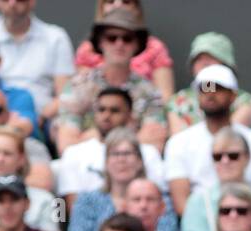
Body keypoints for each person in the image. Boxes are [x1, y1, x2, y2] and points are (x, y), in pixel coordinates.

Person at [164, 64, 251, 218]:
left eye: (218, 88)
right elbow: (182, 206)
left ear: (233, 96)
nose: (210, 93)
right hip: (199, 230)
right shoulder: (178, 143)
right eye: (205, 88)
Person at [54, 7, 167, 154]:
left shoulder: (150, 92)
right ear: (100, 42)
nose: (119, 44)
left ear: (137, 44)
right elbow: (66, 145)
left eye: (127, 38)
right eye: (111, 38)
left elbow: (154, 145)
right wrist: (131, 136)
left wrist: (94, 138)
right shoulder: (78, 86)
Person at [0, 0, 76, 125]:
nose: (12, 3)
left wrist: (38, 118)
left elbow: (65, 95)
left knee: (64, 125)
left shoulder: (55, 37)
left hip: (43, 121)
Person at [56, 86, 163, 206]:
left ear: (129, 115)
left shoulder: (148, 152)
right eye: (101, 110)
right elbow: (70, 207)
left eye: (114, 110)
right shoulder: (74, 153)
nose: (106, 116)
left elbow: (157, 199)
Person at [65, 128, 153, 231]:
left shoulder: (155, 198)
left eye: (127, 153)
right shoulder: (86, 201)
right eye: (115, 154)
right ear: (105, 162)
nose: (121, 159)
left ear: (139, 161)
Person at [166, 32, 251, 136]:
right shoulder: (177, 102)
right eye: (199, 58)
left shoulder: (246, 101)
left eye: (211, 57)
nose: (205, 63)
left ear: (226, 64)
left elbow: (228, 138)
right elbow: (178, 143)